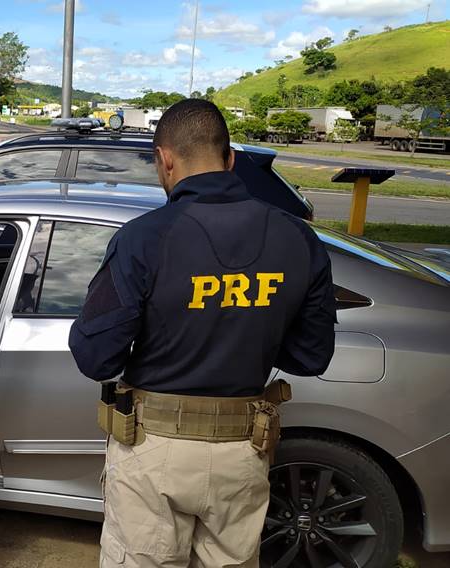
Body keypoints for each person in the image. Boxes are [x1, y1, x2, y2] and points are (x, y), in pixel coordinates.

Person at [69, 99, 336, 568]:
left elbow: (96, 358)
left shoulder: (143, 239)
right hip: (243, 451)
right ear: (230, 159)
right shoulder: (298, 238)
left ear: (165, 159)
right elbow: (312, 357)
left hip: (154, 452)